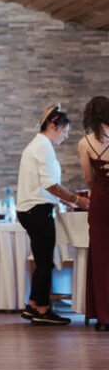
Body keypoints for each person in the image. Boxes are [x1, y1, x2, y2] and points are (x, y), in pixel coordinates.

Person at [17, 105, 89, 326]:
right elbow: (50, 185)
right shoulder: (43, 147)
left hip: (30, 210)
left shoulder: (38, 145)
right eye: (64, 131)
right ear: (52, 126)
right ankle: (42, 309)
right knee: (45, 262)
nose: (65, 136)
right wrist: (78, 201)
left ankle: (33, 305)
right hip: (37, 210)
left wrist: (69, 201)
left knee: (42, 261)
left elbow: (47, 185)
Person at [79, 96, 109, 331]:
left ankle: (103, 316)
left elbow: (88, 178)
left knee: (100, 256)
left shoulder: (85, 143)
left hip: (100, 199)